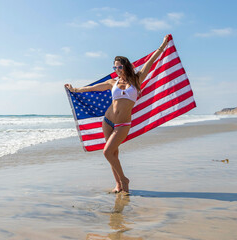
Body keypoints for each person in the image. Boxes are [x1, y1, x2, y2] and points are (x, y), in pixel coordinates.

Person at [65, 35, 170, 195]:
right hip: (108, 121)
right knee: (113, 153)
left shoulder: (137, 79)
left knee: (107, 152)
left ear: (126, 66)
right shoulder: (112, 82)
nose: (116, 70)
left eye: (119, 67)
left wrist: (163, 44)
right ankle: (118, 184)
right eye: (114, 68)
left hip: (122, 124)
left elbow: (152, 61)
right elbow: (92, 88)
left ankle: (124, 180)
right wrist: (75, 89)